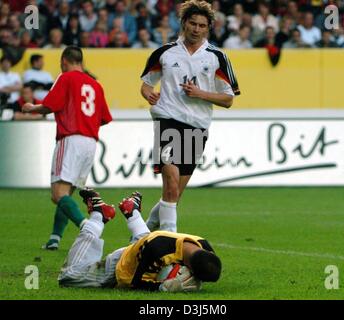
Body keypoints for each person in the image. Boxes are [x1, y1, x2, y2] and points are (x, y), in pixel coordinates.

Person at [140, 0, 240, 233]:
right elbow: (146, 84)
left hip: (197, 127)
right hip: (167, 120)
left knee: (174, 195)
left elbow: (228, 100)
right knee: (171, 186)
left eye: (202, 25)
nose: (196, 29)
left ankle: (141, 235)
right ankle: (168, 244)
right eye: (192, 23)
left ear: (208, 28)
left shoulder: (217, 57)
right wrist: (148, 94)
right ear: (184, 23)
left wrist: (200, 93)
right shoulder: (164, 53)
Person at [22, 46, 113, 250]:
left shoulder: (66, 78)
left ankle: (88, 227)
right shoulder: (96, 85)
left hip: (71, 139)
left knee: (58, 195)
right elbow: (105, 118)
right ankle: (55, 238)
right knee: (66, 194)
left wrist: (31, 108)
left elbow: (49, 105)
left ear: (64, 61)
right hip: (90, 143)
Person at [58, 189, 222, 291]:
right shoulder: (157, 248)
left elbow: (154, 244)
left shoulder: (204, 245)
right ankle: (98, 215)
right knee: (69, 277)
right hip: (122, 264)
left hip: (148, 246)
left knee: (148, 242)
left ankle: (132, 211)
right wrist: (161, 287)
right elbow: (135, 282)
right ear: (190, 266)